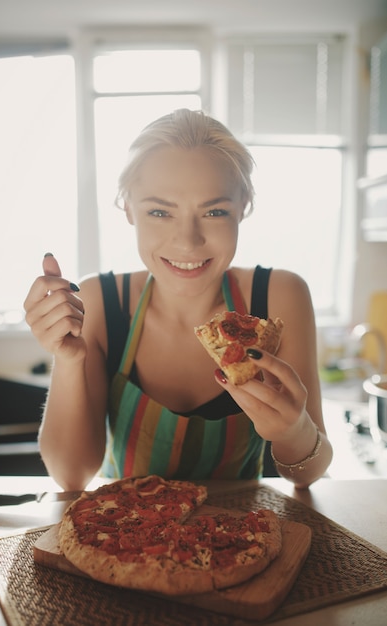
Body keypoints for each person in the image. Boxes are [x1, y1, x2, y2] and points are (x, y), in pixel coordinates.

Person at [24, 108, 333, 492]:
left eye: (215, 211)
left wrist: (295, 429)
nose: (188, 241)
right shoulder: (100, 302)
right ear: (128, 209)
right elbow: (71, 476)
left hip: (242, 541)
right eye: (159, 211)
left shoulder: (278, 296)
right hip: (124, 540)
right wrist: (68, 358)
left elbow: (308, 473)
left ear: (245, 206)